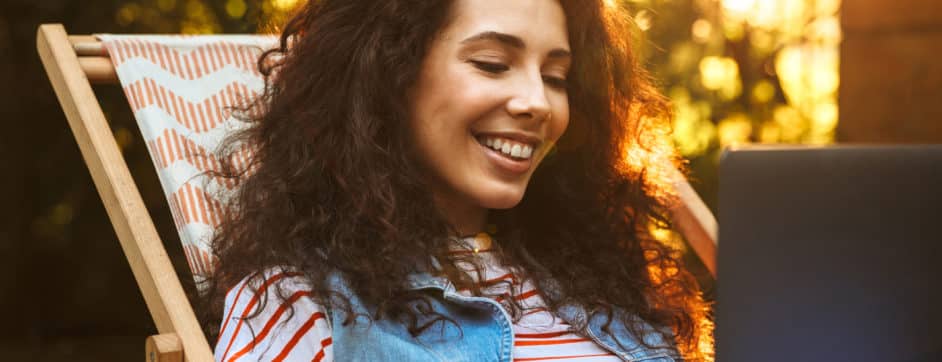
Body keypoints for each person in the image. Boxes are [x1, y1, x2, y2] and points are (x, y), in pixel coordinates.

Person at [202, 0, 711, 361]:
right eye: (492, 64)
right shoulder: (307, 308)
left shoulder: (603, 280)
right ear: (391, 74)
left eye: (556, 77)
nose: (537, 101)